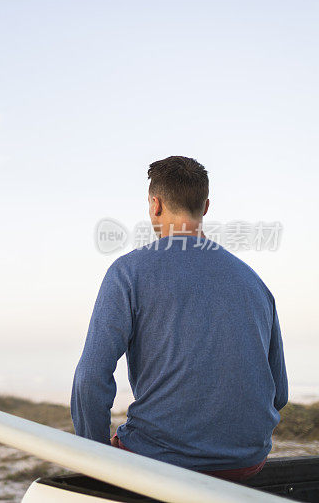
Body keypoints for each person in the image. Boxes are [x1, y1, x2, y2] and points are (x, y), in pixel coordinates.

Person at [71, 155, 288, 482]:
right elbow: (279, 394)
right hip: (247, 461)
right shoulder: (254, 283)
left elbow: (90, 378)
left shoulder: (128, 273)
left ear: (155, 205)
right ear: (205, 206)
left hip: (162, 463)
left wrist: (95, 460)